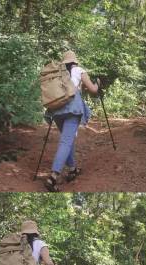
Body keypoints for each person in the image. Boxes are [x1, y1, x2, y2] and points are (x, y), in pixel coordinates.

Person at [44, 50, 101, 192]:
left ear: (64, 62)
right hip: (72, 109)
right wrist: (98, 85)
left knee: (67, 140)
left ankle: (72, 169)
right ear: (75, 61)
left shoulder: (58, 73)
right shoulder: (79, 70)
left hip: (56, 110)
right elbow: (93, 90)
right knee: (66, 141)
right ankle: (53, 177)